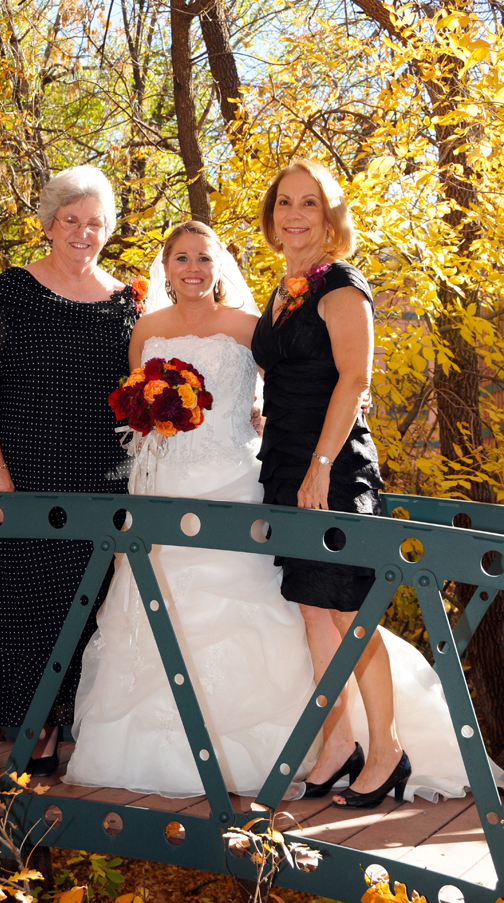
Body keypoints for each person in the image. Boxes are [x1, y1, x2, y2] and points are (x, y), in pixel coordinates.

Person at [64, 220, 472, 803]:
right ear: (165, 267)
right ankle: (171, 753)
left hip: (234, 483)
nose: (193, 269)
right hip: (163, 488)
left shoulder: (250, 329)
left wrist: (282, 433)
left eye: (203, 258)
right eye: (180, 258)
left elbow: (294, 385)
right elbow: (133, 405)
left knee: (303, 612)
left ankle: (338, 741)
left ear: (219, 265)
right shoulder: (146, 330)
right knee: (166, 610)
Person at [0, 164, 143, 775]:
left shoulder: (125, 302)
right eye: (72, 220)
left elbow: (160, 378)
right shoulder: (15, 289)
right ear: (50, 224)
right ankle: (35, 731)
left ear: (108, 229)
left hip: (106, 480)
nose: (84, 233)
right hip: (27, 476)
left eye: (96, 223)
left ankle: (75, 732)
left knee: (95, 610)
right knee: (33, 605)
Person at [251, 158, 408, 809]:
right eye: (284, 202)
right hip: (287, 463)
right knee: (314, 609)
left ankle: (389, 748)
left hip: (332, 468)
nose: (294, 214)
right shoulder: (287, 287)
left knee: (349, 608)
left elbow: (354, 380)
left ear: (329, 214)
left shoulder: (341, 284)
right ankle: (336, 743)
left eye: (308, 203)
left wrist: (320, 466)